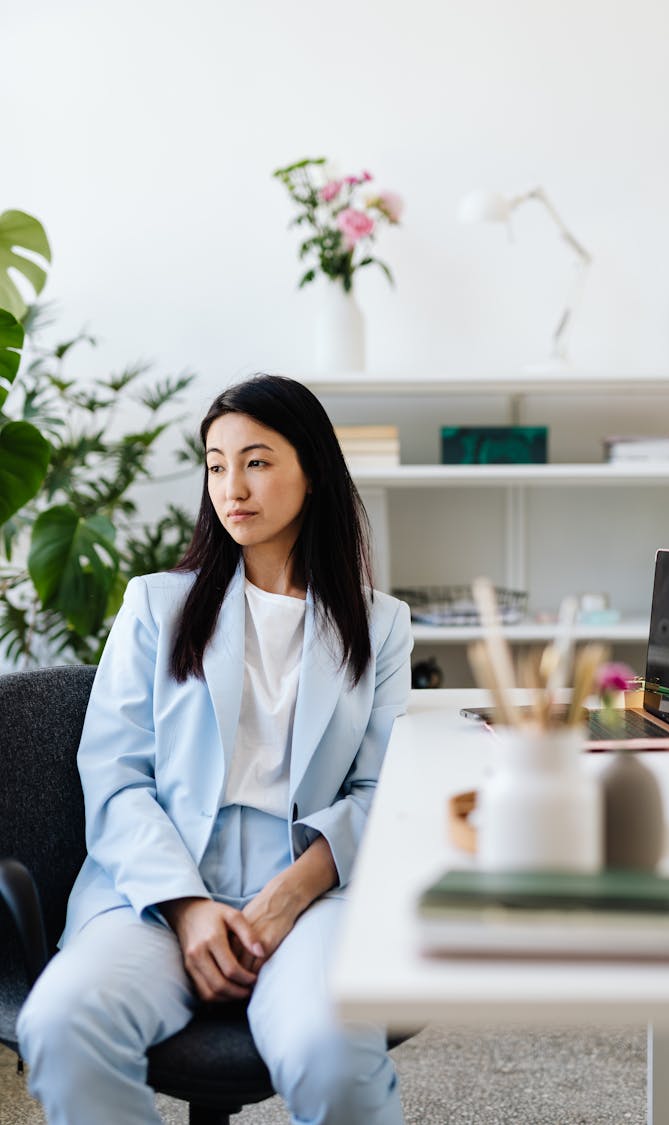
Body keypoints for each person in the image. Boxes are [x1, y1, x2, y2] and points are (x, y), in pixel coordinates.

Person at [17, 374, 413, 1125]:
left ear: (313, 470)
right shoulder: (156, 606)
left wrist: (288, 895)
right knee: (61, 1024)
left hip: (308, 887)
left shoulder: (379, 625)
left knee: (331, 1054)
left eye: (257, 460)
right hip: (159, 887)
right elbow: (115, 775)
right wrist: (190, 908)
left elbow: (381, 792)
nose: (233, 485)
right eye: (216, 463)